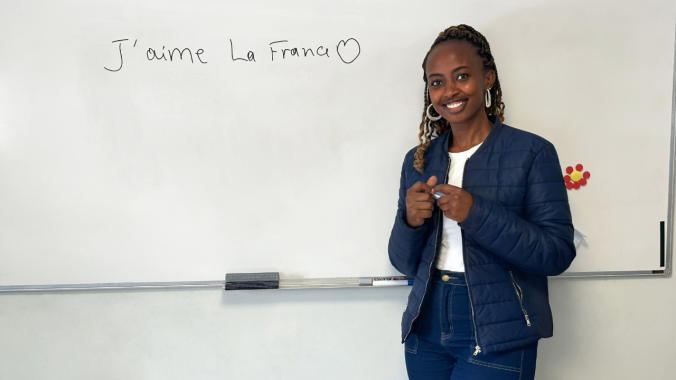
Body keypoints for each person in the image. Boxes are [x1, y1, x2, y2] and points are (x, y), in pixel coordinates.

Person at [388, 25, 576, 380]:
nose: (449, 91)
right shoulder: (418, 160)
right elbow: (403, 262)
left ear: (488, 78)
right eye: (437, 82)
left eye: (462, 76)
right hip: (426, 325)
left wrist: (476, 213)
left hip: (499, 330)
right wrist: (410, 222)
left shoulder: (532, 152)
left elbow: (556, 253)